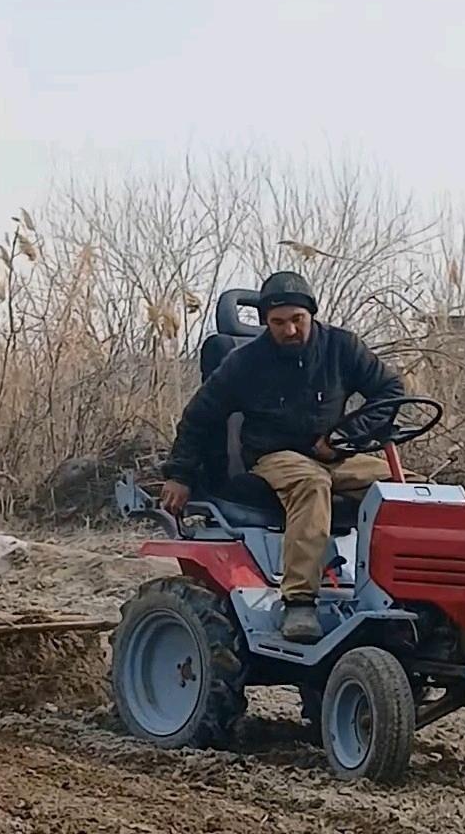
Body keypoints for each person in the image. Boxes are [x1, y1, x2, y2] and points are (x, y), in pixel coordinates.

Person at [162, 271, 403, 641]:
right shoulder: (246, 363)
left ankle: (399, 589)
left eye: (297, 320)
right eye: (278, 322)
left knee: (408, 489)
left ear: (312, 315)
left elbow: (390, 390)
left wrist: (346, 436)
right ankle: (300, 602)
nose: (289, 330)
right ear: (265, 323)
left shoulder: (342, 348)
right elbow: (200, 415)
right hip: (276, 455)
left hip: (337, 453)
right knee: (311, 483)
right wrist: (179, 474)